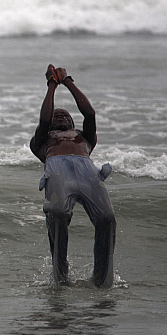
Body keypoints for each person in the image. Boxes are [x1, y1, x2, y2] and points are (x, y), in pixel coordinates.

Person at [30, 65, 116, 288]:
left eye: (65, 115)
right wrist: (51, 84)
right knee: (57, 214)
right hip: (58, 172)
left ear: (73, 123)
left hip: (87, 172)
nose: (59, 115)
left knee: (106, 219)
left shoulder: (84, 137)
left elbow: (89, 113)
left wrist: (67, 81)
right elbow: (44, 119)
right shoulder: (43, 141)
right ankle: (60, 277)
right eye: (55, 115)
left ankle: (102, 279)